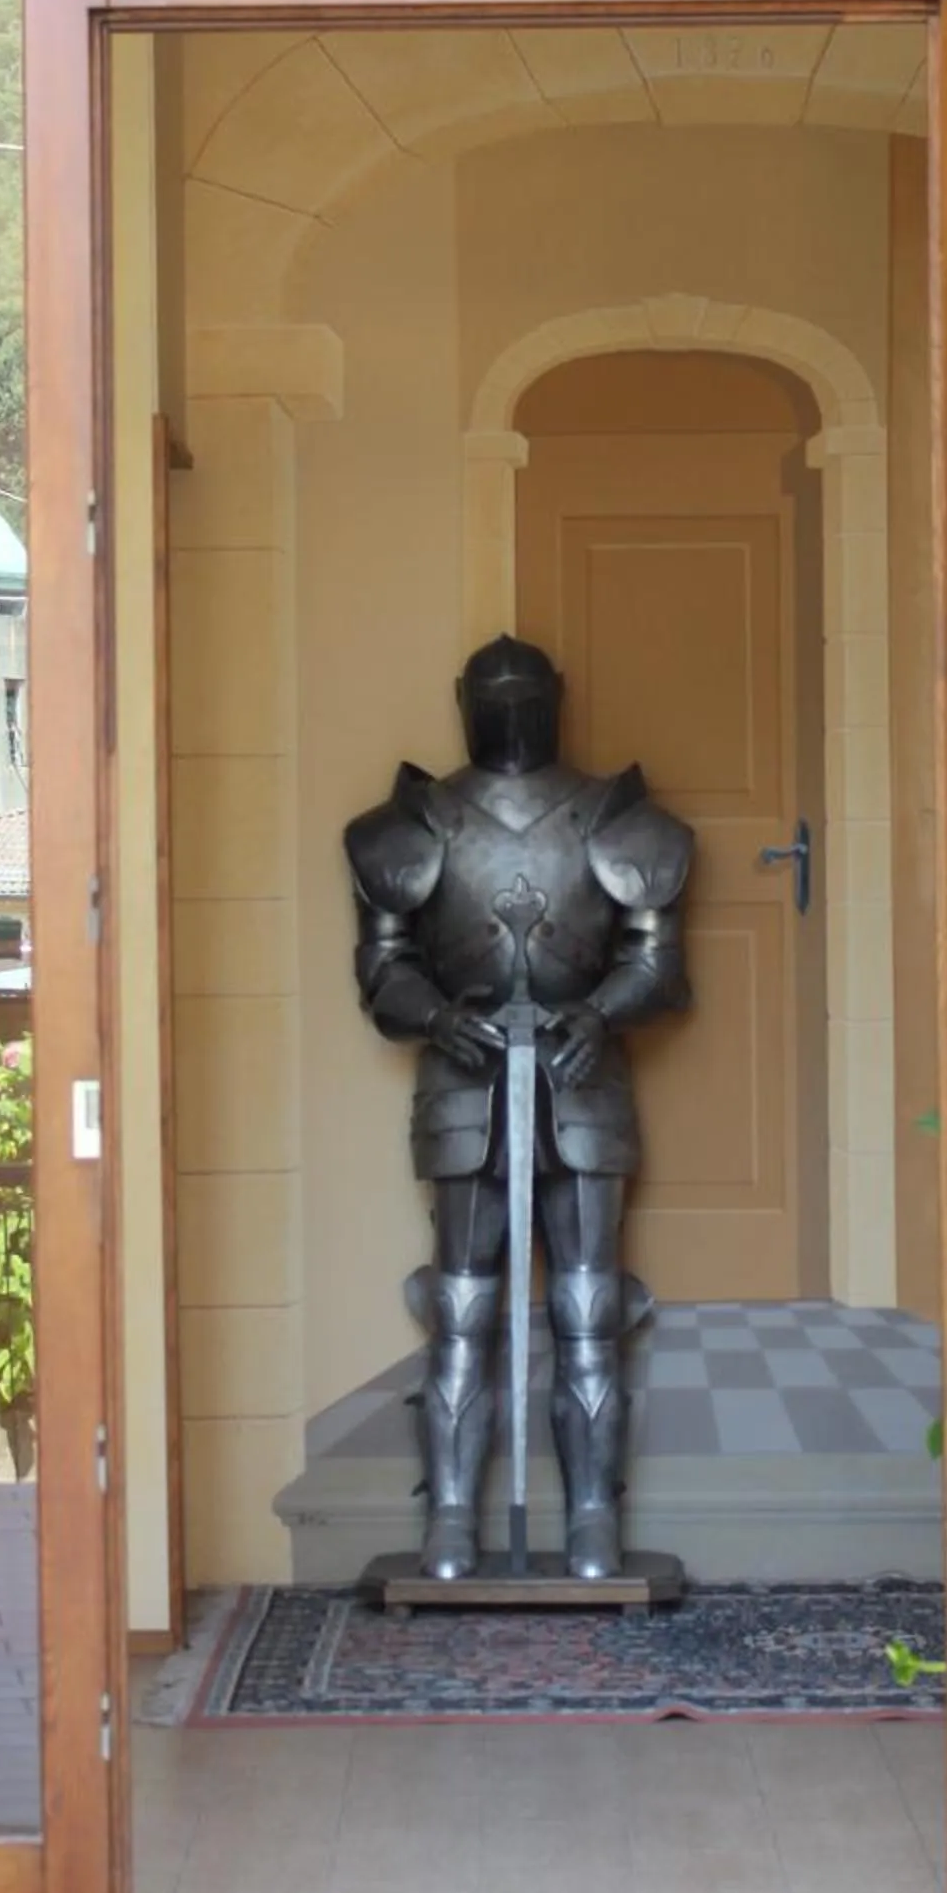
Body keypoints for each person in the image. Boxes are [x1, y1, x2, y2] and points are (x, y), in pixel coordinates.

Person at [344, 636, 692, 1580]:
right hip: (467, 1080)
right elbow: (384, 970)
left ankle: (590, 1519)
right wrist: (437, 1015)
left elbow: (658, 966)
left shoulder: (620, 823)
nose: (506, 704)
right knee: (461, 1305)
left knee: (588, 1303)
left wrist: (600, 1011)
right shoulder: (404, 828)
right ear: (458, 697)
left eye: (522, 691)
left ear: (559, 698)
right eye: (490, 692)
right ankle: (451, 1517)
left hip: (584, 1084)